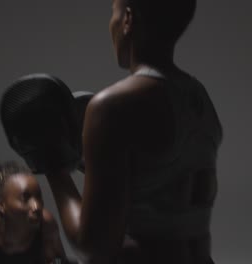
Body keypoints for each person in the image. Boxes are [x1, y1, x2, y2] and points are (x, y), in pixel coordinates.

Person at [40, 0, 223, 263]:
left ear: (127, 19)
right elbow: (158, 186)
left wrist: (53, 164)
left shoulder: (111, 107)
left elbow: (93, 246)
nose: (110, 25)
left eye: (112, 13)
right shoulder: (199, 98)